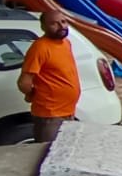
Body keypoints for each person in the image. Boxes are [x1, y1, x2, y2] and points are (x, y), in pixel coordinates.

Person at [18, 9, 81, 143]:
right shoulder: (40, 48)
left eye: (63, 22)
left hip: (68, 111)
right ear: (43, 27)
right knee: (48, 151)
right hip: (50, 115)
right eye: (54, 23)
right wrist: (31, 94)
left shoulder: (66, 43)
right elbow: (24, 82)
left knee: (65, 149)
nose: (61, 26)